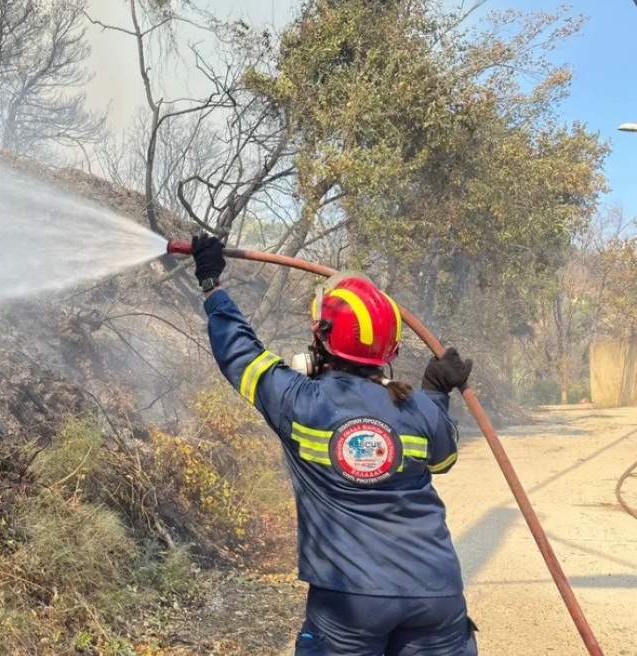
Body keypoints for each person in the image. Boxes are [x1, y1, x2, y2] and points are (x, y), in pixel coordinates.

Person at [189, 235, 477, 656]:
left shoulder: (299, 402)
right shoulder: (417, 408)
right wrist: (436, 391)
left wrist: (213, 285)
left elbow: (241, 355)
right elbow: (445, 457)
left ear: (321, 339)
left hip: (349, 602)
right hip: (436, 595)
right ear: (388, 351)